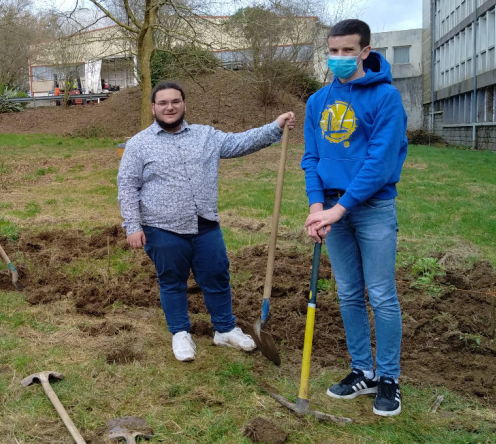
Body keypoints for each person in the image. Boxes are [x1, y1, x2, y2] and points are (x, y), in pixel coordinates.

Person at [117, 80, 295, 362]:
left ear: (184, 104)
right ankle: (180, 333)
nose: (169, 107)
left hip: (205, 224)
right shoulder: (139, 144)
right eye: (162, 103)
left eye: (175, 101)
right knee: (172, 281)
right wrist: (133, 225)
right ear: (153, 108)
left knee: (217, 276)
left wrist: (275, 126)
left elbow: (240, 142)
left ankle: (224, 329)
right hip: (162, 228)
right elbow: (127, 186)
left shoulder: (206, 136)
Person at [301, 19, 408, 417]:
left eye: (348, 51)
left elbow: (380, 164)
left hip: (372, 209)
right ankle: (362, 370)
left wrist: (339, 208)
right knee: (347, 293)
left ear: (365, 52)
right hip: (331, 209)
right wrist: (317, 207)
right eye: (333, 51)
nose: (340, 59)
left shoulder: (386, 98)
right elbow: (312, 158)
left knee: (380, 294)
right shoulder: (317, 102)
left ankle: (389, 377)